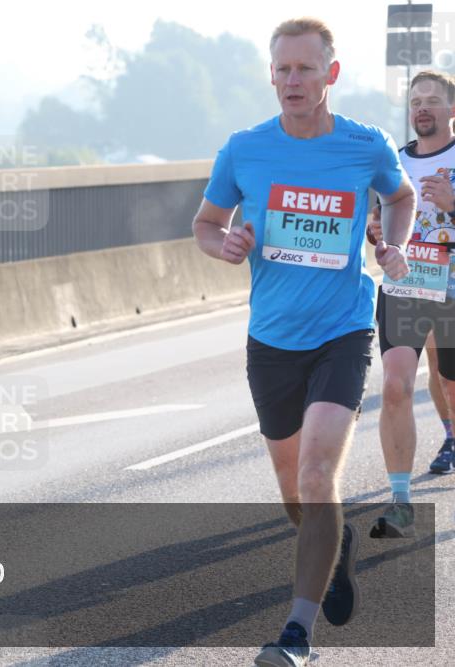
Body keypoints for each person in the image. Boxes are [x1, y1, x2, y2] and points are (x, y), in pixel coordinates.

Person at [191, 17, 415, 667]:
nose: (292, 80)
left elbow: (398, 196)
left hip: (343, 330)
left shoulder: (364, 145)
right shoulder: (244, 149)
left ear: (331, 75)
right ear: (271, 75)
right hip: (271, 341)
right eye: (282, 69)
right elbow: (206, 223)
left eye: (305, 69)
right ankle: (334, 545)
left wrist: (393, 242)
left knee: (319, 473)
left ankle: (297, 632)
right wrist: (224, 244)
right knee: (298, 493)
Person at [367, 72, 455, 523]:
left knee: (449, 382)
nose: (422, 107)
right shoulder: (394, 164)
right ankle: (400, 503)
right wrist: (376, 232)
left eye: (433, 100)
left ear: (451, 109)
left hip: (453, 290)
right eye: (415, 100)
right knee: (396, 385)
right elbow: (374, 225)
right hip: (404, 287)